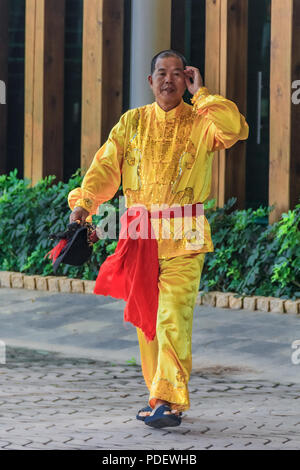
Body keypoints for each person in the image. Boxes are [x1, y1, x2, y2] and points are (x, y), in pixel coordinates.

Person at [68, 50, 249, 428]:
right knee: (147, 320)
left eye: (177, 74)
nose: (168, 79)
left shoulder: (203, 121)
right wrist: (84, 205)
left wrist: (203, 95)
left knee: (172, 316)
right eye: (161, 73)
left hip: (185, 236)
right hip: (140, 234)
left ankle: (168, 399)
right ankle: (159, 397)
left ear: (187, 80)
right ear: (150, 82)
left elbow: (235, 128)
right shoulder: (131, 122)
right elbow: (105, 167)